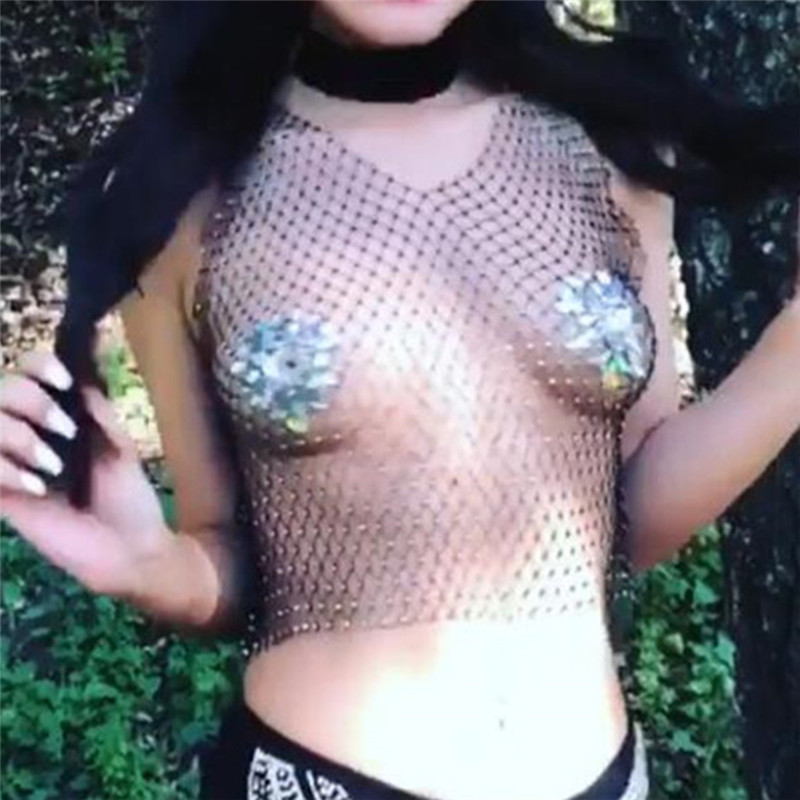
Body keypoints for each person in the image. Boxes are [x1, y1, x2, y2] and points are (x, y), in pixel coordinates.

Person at [1, 2, 798, 799]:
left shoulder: (610, 139)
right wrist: (153, 566)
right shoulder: (181, 190)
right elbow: (233, 559)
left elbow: (630, 511)